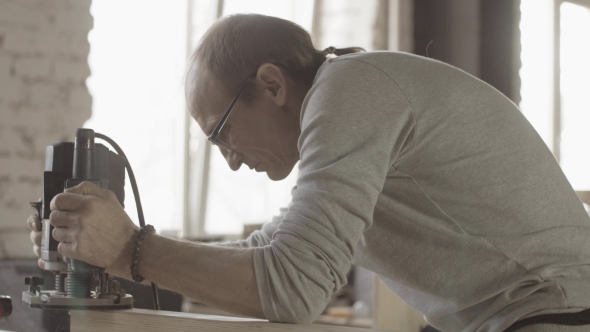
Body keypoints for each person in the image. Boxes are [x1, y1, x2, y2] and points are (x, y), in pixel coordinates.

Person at [27, 14, 590, 332]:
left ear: (271, 85)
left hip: (556, 313)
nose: (230, 159)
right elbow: (268, 253)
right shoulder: (348, 112)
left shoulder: (350, 89)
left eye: (221, 132)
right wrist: (107, 248)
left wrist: (128, 249)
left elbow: (292, 288)